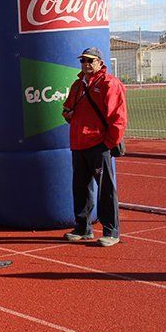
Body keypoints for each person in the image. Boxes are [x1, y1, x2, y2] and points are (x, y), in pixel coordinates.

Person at [61, 47, 127, 247]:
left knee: (105, 189)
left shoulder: (110, 84)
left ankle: (111, 231)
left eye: (90, 61)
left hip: (99, 145)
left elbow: (118, 117)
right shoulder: (77, 85)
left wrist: (107, 143)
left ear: (100, 62)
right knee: (80, 188)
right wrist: (68, 115)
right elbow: (67, 109)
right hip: (79, 144)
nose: (86, 64)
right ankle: (83, 228)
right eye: (83, 61)